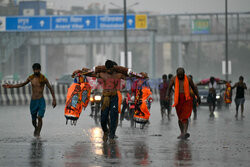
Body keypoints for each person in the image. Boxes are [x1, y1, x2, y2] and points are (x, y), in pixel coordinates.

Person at [74, 60, 146, 143]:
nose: (109, 71)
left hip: (114, 97)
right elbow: (91, 74)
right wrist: (81, 72)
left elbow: (130, 76)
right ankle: (105, 131)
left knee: (113, 116)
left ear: (114, 68)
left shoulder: (118, 75)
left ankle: (112, 136)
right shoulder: (102, 74)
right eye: (107, 69)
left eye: (111, 69)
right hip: (105, 97)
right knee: (103, 118)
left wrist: (140, 76)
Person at [2, 63, 56, 137]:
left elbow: (50, 88)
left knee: (40, 117)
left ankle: (38, 134)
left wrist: (54, 99)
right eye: (35, 70)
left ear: (40, 70)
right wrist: (10, 86)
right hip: (33, 101)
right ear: (33, 70)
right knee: (33, 120)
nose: (36, 71)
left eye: (37, 70)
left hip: (41, 101)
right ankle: (36, 128)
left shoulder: (43, 78)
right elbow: (22, 84)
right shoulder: (31, 77)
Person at [166, 68, 200, 139]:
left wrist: (198, 97)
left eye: (182, 74)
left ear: (184, 73)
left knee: (185, 116)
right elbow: (169, 88)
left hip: (187, 99)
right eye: (179, 75)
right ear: (177, 74)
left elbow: (194, 88)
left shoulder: (188, 78)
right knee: (180, 117)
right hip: (178, 99)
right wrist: (167, 95)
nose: (180, 76)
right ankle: (182, 132)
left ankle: (185, 132)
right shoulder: (173, 79)